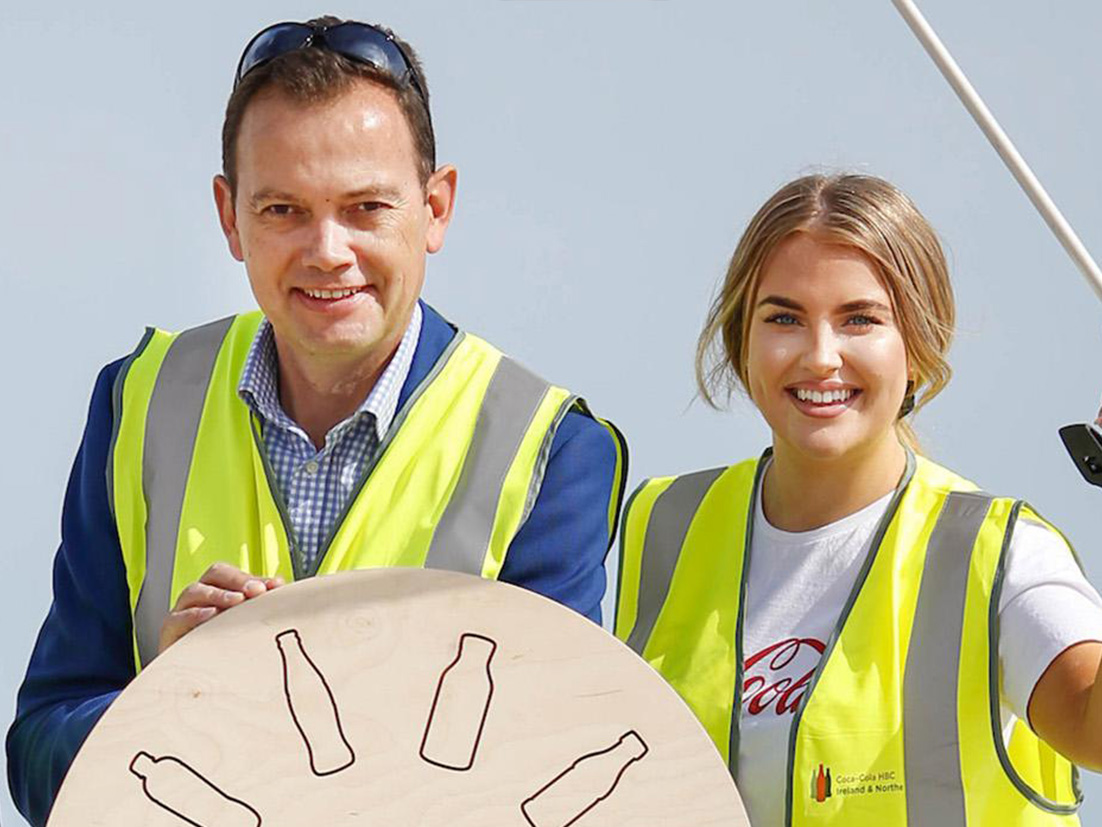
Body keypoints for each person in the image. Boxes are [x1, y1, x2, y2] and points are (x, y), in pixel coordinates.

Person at [7, 17, 626, 826]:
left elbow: (543, 788)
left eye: (366, 206)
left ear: (435, 208)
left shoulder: (549, 451)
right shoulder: (139, 402)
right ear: (230, 218)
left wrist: (273, 708)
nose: (327, 249)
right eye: (283, 209)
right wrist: (170, 700)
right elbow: (38, 756)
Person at [614, 173, 1102, 826]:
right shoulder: (663, 523)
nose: (821, 356)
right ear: (741, 339)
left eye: (860, 320)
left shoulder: (998, 552)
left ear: (918, 345)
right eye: (784, 317)